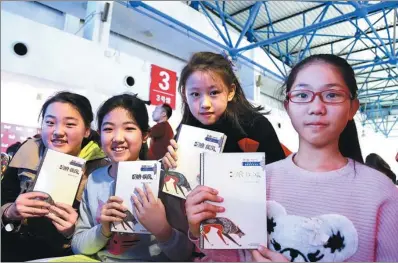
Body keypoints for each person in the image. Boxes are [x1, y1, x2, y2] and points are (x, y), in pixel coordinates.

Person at [183, 54, 398, 261]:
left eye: (332, 95)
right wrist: (200, 226)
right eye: (302, 95)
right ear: (288, 106)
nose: (316, 108)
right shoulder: (258, 179)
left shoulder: (381, 192)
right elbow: (233, 257)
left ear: (352, 107)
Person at [71, 93, 193, 261]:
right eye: (108, 129)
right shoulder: (94, 180)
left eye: (129, 128)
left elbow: (186, 254)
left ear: (145, 136)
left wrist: (162, 229)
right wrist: (103, 229)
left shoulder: (164, 180)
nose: (118, 138)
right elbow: (78, 246)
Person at [1, 91, 107, 261]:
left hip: (64, 254)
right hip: (12, 246)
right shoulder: (28, 149)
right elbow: (4, 194)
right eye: (50, 122)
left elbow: (102, 232)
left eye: (70, 124)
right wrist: (9, 212)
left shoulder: (100, 168)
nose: (58, 131)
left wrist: (72, 231)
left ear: (87, 130)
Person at [163, 51, 285, 171]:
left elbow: (280, 176)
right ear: (185, 94)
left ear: (231, 92)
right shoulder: (185, 132)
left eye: (214, 92)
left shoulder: (256, 126)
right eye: (195, 94)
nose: (205, 104)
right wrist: (168, 166)